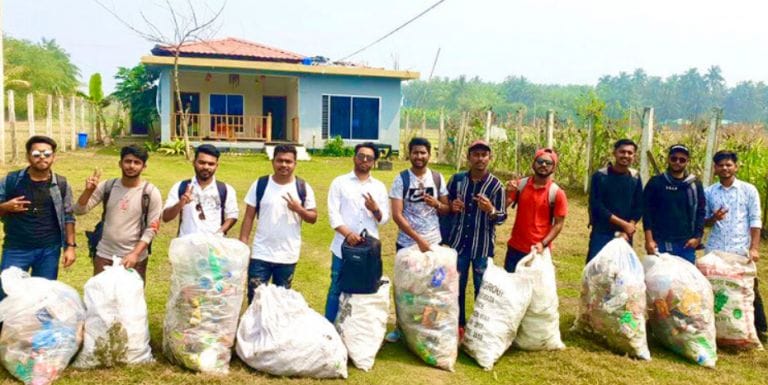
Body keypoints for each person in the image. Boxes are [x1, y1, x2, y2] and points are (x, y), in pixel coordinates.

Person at [385, 137, 449, 342]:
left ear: (429, 154)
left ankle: (427, 328)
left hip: (434, 243)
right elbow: (397, 214)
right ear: (409, 154)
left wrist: (437, 204)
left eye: (423, 152)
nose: (419, 156)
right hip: (407, 244)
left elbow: (447, 209)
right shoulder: (401, 179)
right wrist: (417, 239)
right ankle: (401, 329)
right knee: (406, 287)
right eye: (415, 152)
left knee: (432, 288)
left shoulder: (438, 178)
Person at [0, 136, 76, 300]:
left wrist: (70, 247)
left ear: (53, 157)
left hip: (48, 250)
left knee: (43, 298)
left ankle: (40, 326)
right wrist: (5, 207)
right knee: (6, 295)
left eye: (47, 154)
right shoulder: (11, 181)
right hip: (16, 249)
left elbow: (69, 216)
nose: (42, 157)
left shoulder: (61, 184)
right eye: (36, 154)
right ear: (28, 156)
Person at [239, 144, 317, 303]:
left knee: (280, 301)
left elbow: (313, 217)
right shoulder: (260, 184)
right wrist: (243, 244)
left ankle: (274, 328)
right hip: (261, 253)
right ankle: (255, 329)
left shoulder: (302, 187)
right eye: (279, 160)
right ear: (272, 161)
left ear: (295, 163)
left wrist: (298, 209)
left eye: (289, 161)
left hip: (288, 254)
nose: (284, 165)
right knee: (255, 299)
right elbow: (248, 217)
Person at [445, 140, 507, 336]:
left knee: (482, 289)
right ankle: (459, 325)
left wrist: (491, 210)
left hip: (482, 246)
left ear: (489, 158)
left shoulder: (496, 185)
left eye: (484, 155)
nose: (480, 159)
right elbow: (446, 206)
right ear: (469, 157)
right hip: (459, 245)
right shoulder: (457, 180)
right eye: (476, 154)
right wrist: (452, 207)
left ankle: (480, 329)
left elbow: (502, 216)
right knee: (456, 288)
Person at [74, 145, 162, 281]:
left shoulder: (150, 192)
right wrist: (88, 191)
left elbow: (152, 228)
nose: (131, 166)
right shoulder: (107, 186)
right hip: (104, 254)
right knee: (102, 298)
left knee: (130, 300)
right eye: (128, 161)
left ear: (144, 167)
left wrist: (135, 254)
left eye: (137, 162)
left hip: (134, 258)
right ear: (120, 163)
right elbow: (79, 210)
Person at [703, 150, 766, 341]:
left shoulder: (748, 190)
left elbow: (755, 220)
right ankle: (718, 328)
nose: (725, 168)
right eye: (721, 165)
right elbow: (704, 222)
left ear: (735, 167)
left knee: (748, 288)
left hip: (740, 249)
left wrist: (754, 248)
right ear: (715, 168)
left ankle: (760, 328)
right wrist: (714, 218)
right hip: (716, 249)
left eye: (728, 164)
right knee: (714, 288)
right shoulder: (709, 192)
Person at [324, 142, 390, 322]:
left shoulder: (379, 187)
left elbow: (384, 219)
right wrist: (348, 234)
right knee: (336, 288)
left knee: (366, 289)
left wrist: (375, 209)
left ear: (374, 162)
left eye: (369, 158)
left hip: (369, 250)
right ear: (354, 157)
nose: (365, 160)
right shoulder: (340, 182)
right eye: (361, 156)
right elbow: (333, 214)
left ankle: (354, 329)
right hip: (342, 247)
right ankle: (329, 328)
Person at [504, 148, 567, 272]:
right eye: (540, 161)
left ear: (553, 168)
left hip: (538, 251)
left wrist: (543, 244)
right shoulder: (519, 185)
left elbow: (559, 224)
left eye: (548, 163)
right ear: (533, 163)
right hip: (515, 248)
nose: (543, 165)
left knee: (535, 290)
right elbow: (502, 207)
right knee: (510, 288)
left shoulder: (557, 193)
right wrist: (508, 192)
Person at [642, 144, 705, 263]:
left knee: (685, 280)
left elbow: (700, 212)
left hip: (686, 244)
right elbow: (647, 213)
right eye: (674, 158)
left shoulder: (694, 185)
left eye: (682, 160)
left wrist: (697, 238)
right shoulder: (656, 182)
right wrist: (649, 240)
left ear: (687, 162)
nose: (677, 162)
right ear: (668, 159)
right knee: (659, 279)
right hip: (660, 241)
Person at [162, 144, 238, 236]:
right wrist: (181, 203)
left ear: (217, 166)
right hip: (187, 245)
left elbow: (232, 216)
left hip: (213, 246)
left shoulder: (225, 189)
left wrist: (219, 233)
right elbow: (166, 217)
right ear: (194, 162)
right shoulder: (181, 187)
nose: (206, 167)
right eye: (202, 162)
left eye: (211, 164)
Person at [586, 139, 643, 262]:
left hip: (625, 234)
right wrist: (624, 224)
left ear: (634, 156)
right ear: (614, 153)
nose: (626, 156)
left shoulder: (635, 177)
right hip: (602, 232)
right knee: (596, 269)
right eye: (622, 152)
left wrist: (630, 226)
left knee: (622, 272)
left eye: (630, 153)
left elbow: (639, 205)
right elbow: (597, 206)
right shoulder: (600, 176)